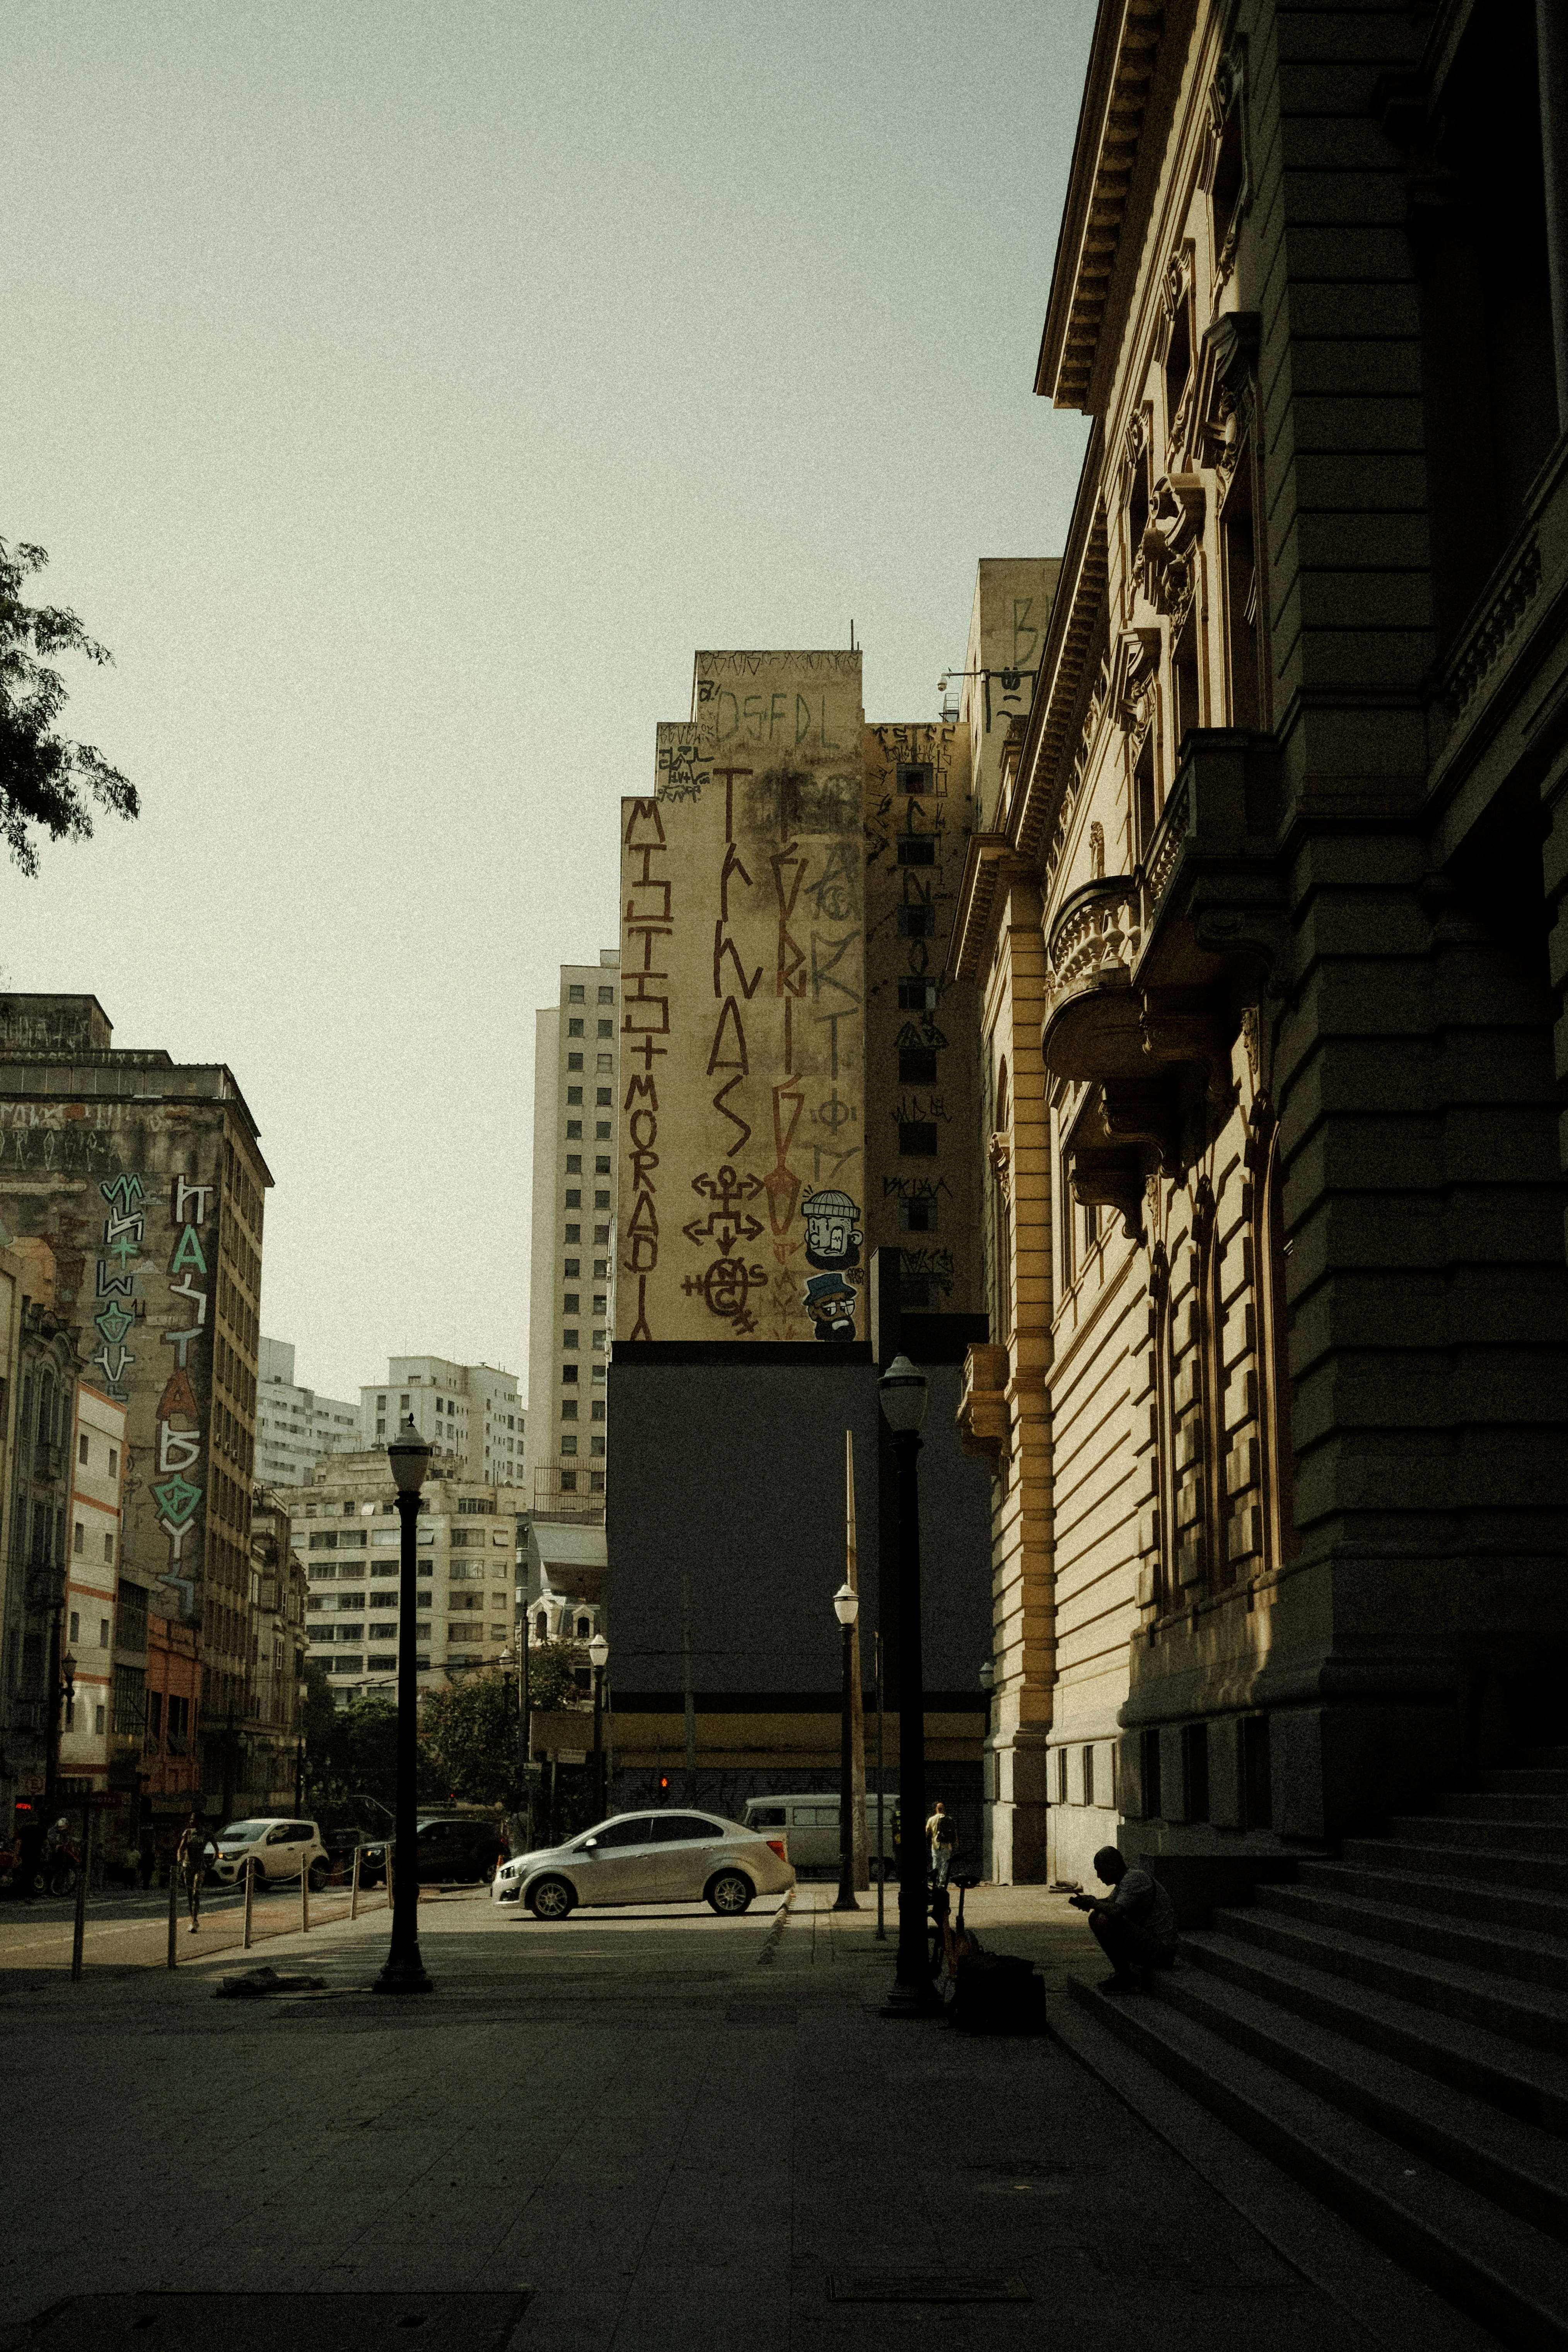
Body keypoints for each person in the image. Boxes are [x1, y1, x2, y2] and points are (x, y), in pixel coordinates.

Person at [1070, 1845, 1177, 1990]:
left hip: (1162, 1951)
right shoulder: (1126, 1880)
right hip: (1153, 1945)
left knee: (1104, 1921)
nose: (1098, 1876)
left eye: (1100, 1870)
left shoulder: (1134, 1879)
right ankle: (1122, 1973)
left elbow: (1116, 1912)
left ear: (1113, 1866)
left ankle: (1125, 1975)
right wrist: (1090, 1901)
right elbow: (1109, 1903)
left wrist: (1094, 1903)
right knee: (1096, 1916)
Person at [175, 1812, 209, 1932]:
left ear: (200, 1821)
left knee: (196, 1893)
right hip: (187, 1865)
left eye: (193, 1820)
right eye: (190, 1819)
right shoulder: (188, 1833)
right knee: (190, 1895)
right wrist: (180, 1859)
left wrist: (213, 1861)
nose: (191, 1821)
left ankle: (195, 1919)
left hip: (200, 1866)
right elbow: (181, 1848)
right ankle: (194, 1920)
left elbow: (216, 1849)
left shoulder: (206, 1833)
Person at [926, 1799, 956, 1889]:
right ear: (944, 1809)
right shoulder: (949, 1819)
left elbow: (927, 1831)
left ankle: (935, 1879)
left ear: (936, 1809)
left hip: (935, 1844)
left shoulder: (931, 1819)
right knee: (945, 1863)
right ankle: (942, 1881)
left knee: (936, 1861)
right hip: (947, 1845)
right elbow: (954, 1832)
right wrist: (956, 1842)